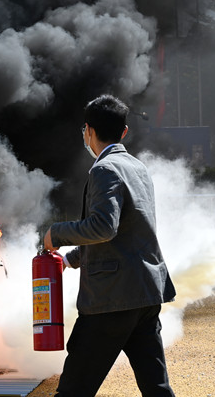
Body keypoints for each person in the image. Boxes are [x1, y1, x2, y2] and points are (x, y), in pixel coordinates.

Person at [43, 94, 176, 397]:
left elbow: (104, 226)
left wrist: (56, 234)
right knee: (156, 387)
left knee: (74, 388)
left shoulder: (104, 170)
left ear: (88, 130)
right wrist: (71, 259)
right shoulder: (138, 168)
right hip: (144, 293)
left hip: (111, 298)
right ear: (124, 132)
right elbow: (129, 232)